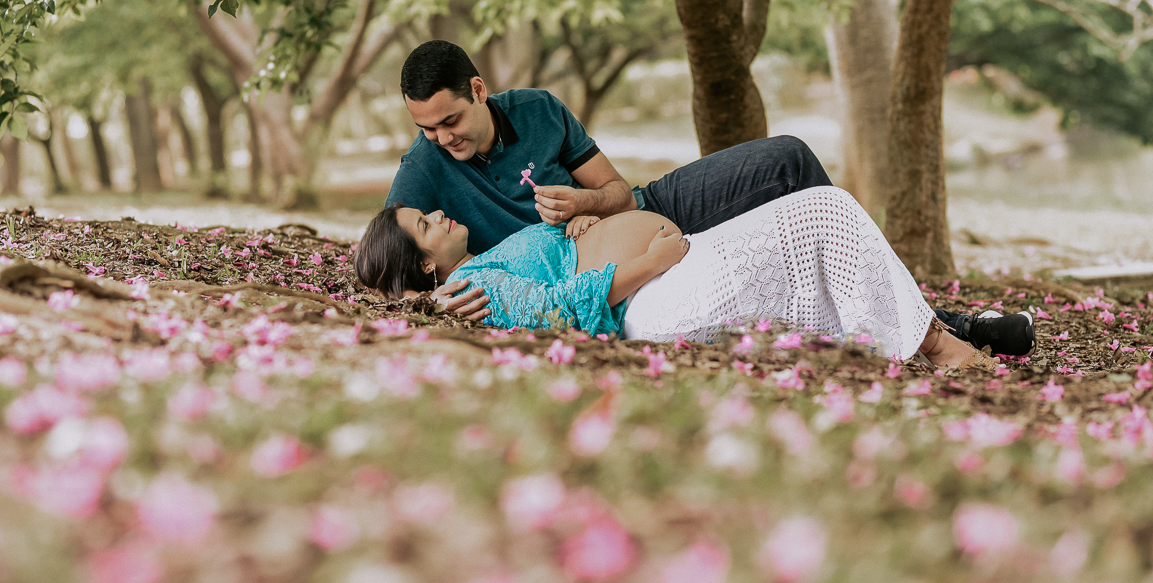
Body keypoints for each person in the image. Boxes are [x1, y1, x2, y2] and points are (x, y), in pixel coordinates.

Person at [384, 40, 1035, 357]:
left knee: (788, 159)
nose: (443, 139)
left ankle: (897, 311)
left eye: (450, 122)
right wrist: (434, 299)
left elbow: (614, 186)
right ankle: (947, 330)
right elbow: (387, 257)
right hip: (615, 268)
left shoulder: (539, 111)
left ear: (477, 90)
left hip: (642, 206)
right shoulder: (425, 172)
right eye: (427, 129)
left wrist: (588, 207)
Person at [355, 186, 999, 371]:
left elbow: (552, 269)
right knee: (820, 210)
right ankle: (937, 347)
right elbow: (558, 308)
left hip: (665, 278)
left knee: (817, 216)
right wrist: (648, 262)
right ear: (423, 265)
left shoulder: (486, 264)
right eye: (424, 223)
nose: (438, 213)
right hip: (655, 295)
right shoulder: (471, 286)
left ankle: (918, 341)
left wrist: (576, 226)